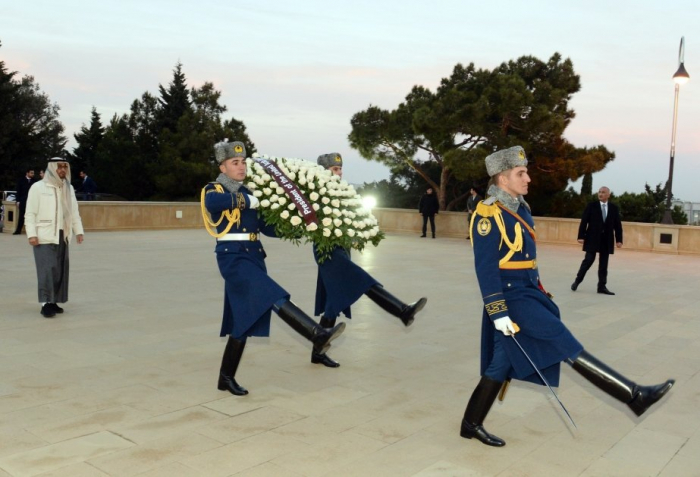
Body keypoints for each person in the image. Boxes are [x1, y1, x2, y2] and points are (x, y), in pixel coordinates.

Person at [461, 146, 673, 447]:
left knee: (501, 363)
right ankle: (634, 395)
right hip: (512, 301)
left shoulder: (520, 208)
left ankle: (470, 424)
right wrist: (499, 314)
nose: (528, 178)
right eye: (521, 173)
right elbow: (486, 271)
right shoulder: (488, 214)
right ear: (502, 178)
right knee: (563, 342)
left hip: (528, 294)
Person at [203, 140, 346, 396]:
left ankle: (225, 378)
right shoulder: (214, 190)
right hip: (233, 259)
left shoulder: (249, 192)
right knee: (273, 294)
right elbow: (214, 205)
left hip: (254, 257)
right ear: (222, 167)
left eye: (243, 162)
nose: (241, 166)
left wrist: (297, 222)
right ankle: (316, 333)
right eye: (235, 163)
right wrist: (248, 200)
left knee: (243, 319)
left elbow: (266, 228)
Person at [309, 153, 428, 368]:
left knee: (332, 302)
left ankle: (317, 351)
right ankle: (401, 310)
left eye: (340, 168)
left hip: (341, 247)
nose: (339, 172)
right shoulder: (315, 193)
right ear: (323, 171)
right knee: (361, 280)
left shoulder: (341, 192)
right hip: (326, 250)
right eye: (335, 169)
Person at [24, 158, 84, 318]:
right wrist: (32, 234)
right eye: (59, 167)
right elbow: (30, 213)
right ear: (52, 168)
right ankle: (45, 303)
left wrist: (78, 231)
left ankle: (54, 300)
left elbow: (74, 211)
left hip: (62, 234)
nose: (62, 170)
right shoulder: (38, 187)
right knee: (46, 269)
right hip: (44, 234)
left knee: (59, 270)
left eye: (65, 167)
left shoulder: (68, 188)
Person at [571, 186, 623, 295]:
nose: (600, 194)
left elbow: (618, 225)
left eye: (603, 192)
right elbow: (584, 221)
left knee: (603, 264)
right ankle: (577, 281)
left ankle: (602, 286)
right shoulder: (591, 206)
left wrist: (619, 240)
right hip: (592, 238)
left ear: (608, 194)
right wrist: (581, 236)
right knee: (588, 261)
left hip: (606, 240)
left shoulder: (613, 208)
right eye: (599, 192)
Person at [13, 168, 35, 235]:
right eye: (31, 173)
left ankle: (31, 232)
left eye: (33, 173)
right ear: (27, 173)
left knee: (32, 216)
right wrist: (18, 201)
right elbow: (18, 191)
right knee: (21, 216)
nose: (32, 174)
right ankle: (18, 230)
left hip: (32, 201)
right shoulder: (21, 180)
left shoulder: (35, 181)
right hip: (23, 200)